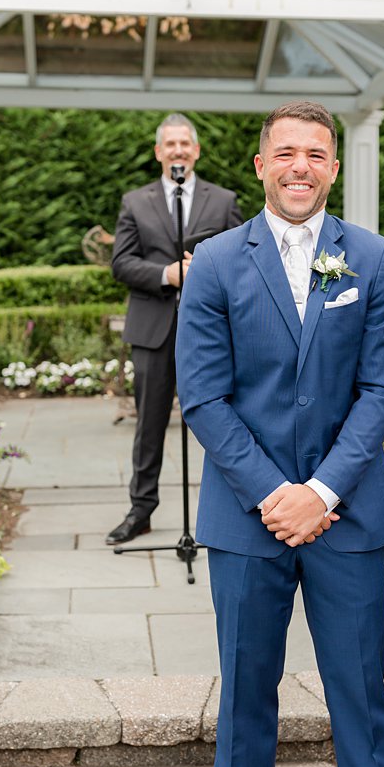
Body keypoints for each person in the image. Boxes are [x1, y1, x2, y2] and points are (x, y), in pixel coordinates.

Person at [174, 100, 384, 767]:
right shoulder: (216, 261)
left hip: (348, 514)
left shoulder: (372, 258)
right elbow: (205, 396)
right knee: (246, 686)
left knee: (360, 691)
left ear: (334, 167)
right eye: (285, 152)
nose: (301, 165)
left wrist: (322, 490)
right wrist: (273, 494)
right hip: (248, 519)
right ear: (260, 165)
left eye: (316, 153)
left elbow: (380, 389)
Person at [107, 115, 243, 545]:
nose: (179, 150)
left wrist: (202, 272)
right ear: (158, 152)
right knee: (149, 425)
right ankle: (141, 510)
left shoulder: (223, 201)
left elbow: (243, 260)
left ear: (197, 151)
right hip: (153, 330)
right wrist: (168, 273)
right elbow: (121, 263)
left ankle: (238, 508)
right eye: (171, 144)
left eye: (185, 143)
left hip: (213, 332)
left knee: (227, 419)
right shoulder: (135, 201)